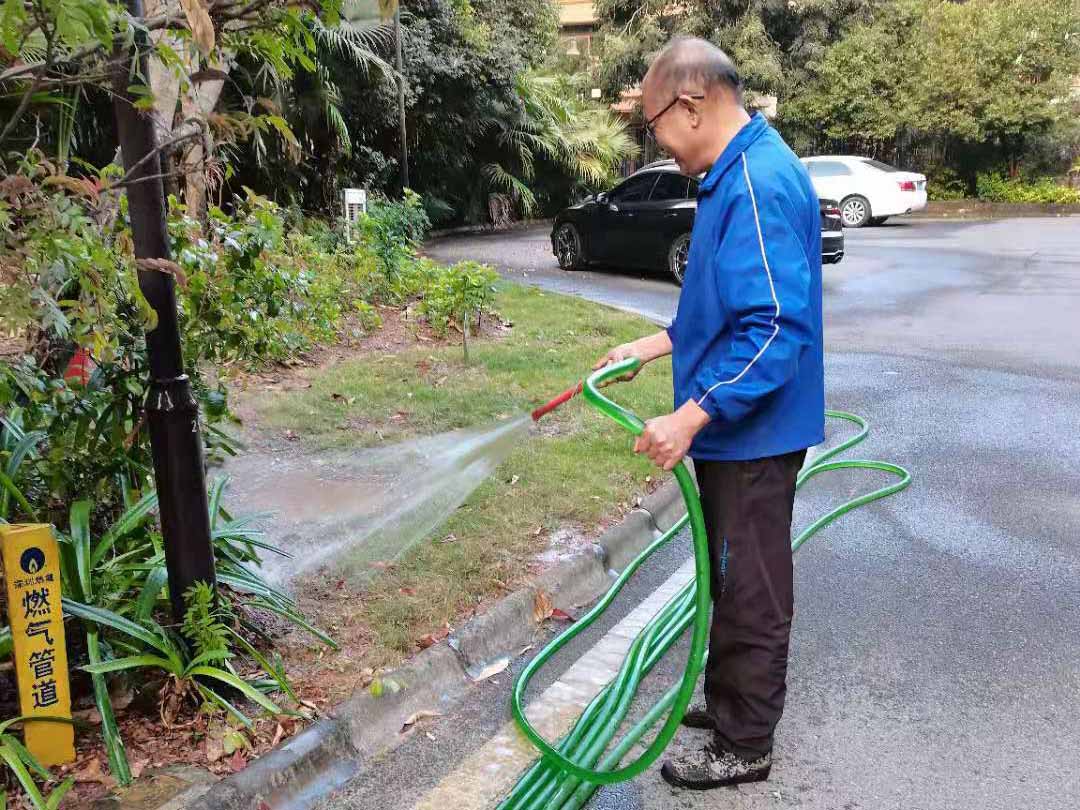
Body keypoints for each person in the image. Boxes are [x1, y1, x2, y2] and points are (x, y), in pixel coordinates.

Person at [594, 37, 825, 790]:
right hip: (739, 431)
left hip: (752, 436)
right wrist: (656, 345)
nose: (655, 140)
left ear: (690, 105)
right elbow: (728, 309)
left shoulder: (756, 181)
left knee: (750, 586)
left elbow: (775, 333)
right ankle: (732, 703)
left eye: (654, 123)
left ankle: (745, 743)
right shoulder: (735, 172)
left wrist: (692, 415)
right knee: (730, 576)